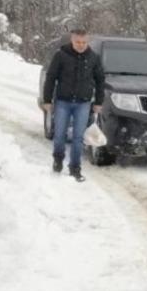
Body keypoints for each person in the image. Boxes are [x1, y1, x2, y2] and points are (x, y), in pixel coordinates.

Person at [42, 27, 104, 182]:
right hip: (63, 101)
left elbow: (100, 80)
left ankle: (75, 168)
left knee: (78, 138)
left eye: (84, 42)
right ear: (72, 40)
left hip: (83, 103)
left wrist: (98, 102)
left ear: (87, 41)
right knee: (60, 135)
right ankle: (58, 159)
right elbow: (51, 78)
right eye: (78, 42)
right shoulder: (61, 55)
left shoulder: (93, 58)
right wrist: (47, 100)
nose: (81, 45)